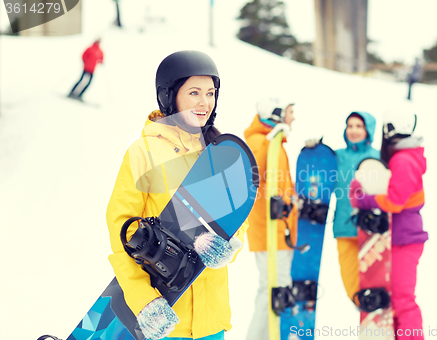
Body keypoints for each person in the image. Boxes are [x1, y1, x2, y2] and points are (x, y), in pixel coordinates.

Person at [106, 50, 249, 340]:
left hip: (212, 320)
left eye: (210, 93)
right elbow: (121, 230)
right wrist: (143, 300)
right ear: (169, 97)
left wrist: (230, 244)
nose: (204, 102)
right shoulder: (143, 152)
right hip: (166, 322)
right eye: (194, 92)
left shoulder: (218, 154)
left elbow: (237, 217)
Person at [350, 104, 428, 339]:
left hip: (405, 240)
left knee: (403, 300)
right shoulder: (403, 157)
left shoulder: (404, 160)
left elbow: (395, 201)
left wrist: (363, 198)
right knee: (394, 300)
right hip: (399, 238)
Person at [305, 111, 379, 302]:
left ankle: (376, 313)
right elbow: (315, 174)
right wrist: (314, 151)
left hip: (372, 232)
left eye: (359, 126)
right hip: (344, 229)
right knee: (351, 284)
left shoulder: (378, 158)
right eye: (350, 125)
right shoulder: (335, 157)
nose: (353, 130)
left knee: (374, 283)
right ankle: (364, 309)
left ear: (368, 130)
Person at [244, 97, 298, 340]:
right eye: (289, 112)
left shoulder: (275, 143)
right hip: (267, 230)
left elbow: (279, 184)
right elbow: (257, 171)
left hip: (279, 229)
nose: (293, 117)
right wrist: (270, 140)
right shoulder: (259, 141)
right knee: (270, 288)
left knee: (277, 288)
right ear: (276, 114)